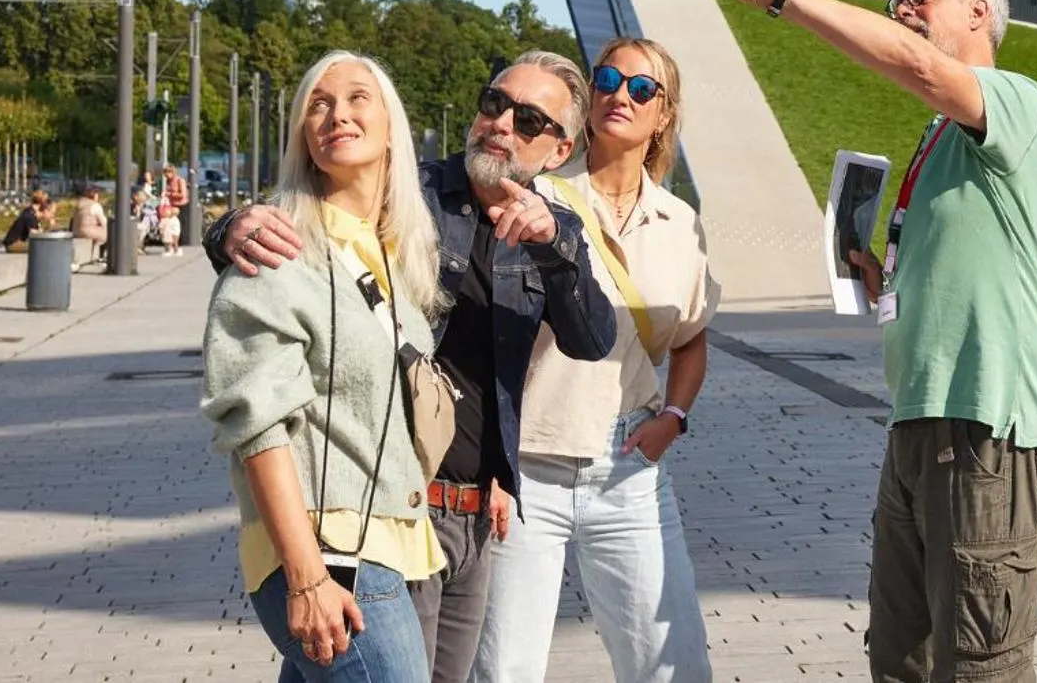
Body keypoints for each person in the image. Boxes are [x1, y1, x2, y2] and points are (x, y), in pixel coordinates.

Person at [703, 0, 1037, 683]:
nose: (902, 8)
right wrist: (881, 277)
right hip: (919, 416)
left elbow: (919, 64)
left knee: (980, 664)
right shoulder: (939, 134)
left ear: (978, 9)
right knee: (902, 655)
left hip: (988, 423)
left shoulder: (1016, 100)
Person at [208, 51, 618, 683]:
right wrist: (232, 226)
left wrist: (554, 248)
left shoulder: (552, 226)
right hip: (389, 506)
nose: (502, 123)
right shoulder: (410, 196)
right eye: (494, 103)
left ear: (558, 149)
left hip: (475, 512)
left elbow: (593, 339)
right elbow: (308, 213)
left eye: (530, 119)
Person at [473, 36, 719, 683]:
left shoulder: (678, 221)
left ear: (663, 113)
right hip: (526, 471)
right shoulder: (538, 197)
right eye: (608, 79)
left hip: (629, 471)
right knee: (503, 670)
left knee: (674, 665)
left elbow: (692, 338)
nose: (620, 94)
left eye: (642, 88)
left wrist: (675, 414)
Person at [201, 51, 446, 680]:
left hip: (387, 548)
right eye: (319, 103)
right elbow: (257, 425)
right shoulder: (278, 251)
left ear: (392, 124)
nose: (338, 113)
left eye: (358, 97)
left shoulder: (395, 255)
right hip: (329, 557)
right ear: (304, 140)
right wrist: (307, 577)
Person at [70, 185, 109, 268]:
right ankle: (101, 257)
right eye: (97, 194)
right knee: (108, 232)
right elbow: (104, 222)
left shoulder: (79, 204)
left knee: (99, 231)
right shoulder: (95, 205)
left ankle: (96, 257)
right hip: (88, 231)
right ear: (94, 195)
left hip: (76, 230)